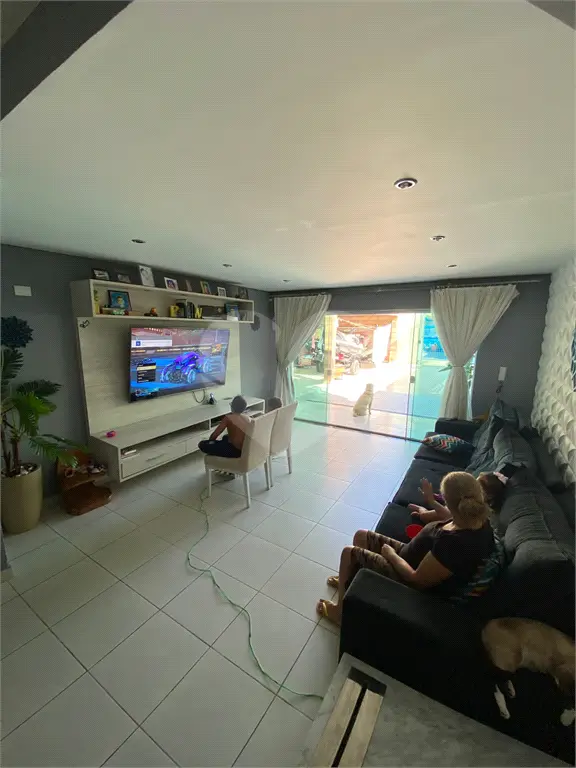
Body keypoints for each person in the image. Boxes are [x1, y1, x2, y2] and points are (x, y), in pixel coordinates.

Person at [317, 471, 498, 625]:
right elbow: (445, 514)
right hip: (409, 556)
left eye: (443, 498)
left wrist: (391, 555)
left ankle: (340, 613)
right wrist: (427, 506)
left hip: (406, 577)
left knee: (349, 553)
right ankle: (349, 579)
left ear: (452, 503)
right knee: (361, 536)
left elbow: (416, 580)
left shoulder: (455, 545)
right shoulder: (473, 518)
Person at [409, 471, 507, 523]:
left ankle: (421, 511)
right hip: (448, 510)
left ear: (489, 496)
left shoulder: (477, 511)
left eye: (477, 487)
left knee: (424, 516)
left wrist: (431, 501)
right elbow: (456, 497)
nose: (472, 488)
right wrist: (438, 497)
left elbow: (449, 515)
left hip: (447, 517)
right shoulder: (472, 496)